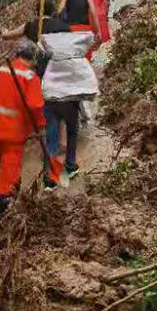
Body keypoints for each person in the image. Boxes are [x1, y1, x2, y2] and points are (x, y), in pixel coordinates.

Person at [0, 41, 45, 224]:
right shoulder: (30, 77)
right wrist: (40, 126)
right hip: (12, 134)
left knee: (8, 167)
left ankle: (13, 195)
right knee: (9, 174)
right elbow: (35, 106)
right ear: (33, 58)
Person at [40, 31, 98, 191]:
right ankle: (70, 165)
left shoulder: (50, 60)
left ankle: (49, 179)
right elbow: (86, 86)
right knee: (72, 131)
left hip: (50, 102)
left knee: (51, 140)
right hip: (68, 104)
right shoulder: (77, 62)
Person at [2, 0, 70, 78]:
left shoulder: (30, 26)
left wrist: (5, 31)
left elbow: (7, 36)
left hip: (36, 68)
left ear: (37, 12)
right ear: (53, 12)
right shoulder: (64, 26)